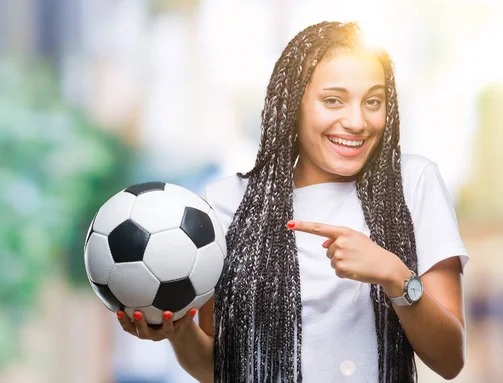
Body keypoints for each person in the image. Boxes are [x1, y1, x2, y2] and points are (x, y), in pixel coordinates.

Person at [116, 21, 469, 383]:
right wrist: (178, 331)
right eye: (333, 100)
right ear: (292, 105)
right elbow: (219, 370)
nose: (357, 121)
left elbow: (449, 360)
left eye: (373, 102)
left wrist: (395, 276)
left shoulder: (413, 184)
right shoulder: (223, 204)